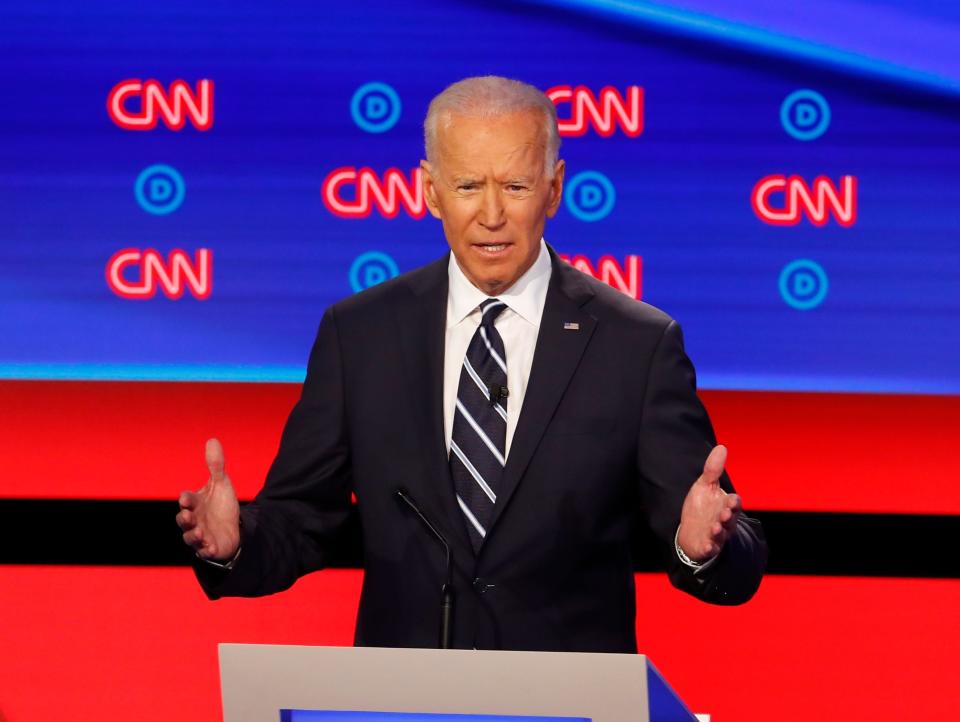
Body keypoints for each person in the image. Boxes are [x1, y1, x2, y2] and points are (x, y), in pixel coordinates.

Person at [176, 76, 767, 652]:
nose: (491, 215)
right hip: (405, 701)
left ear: (554, 189)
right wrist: (234, 544)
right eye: (466, 187)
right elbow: (301, 518)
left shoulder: (636, 344)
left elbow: (733, 548)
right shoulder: (359, 334)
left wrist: (704, 548)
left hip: (569, 701)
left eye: (514, 186)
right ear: (429, 190)